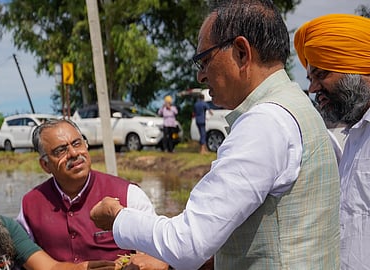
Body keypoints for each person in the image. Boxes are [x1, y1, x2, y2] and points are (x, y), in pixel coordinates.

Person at [89, 0, 341, 269]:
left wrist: (118, 217)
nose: (200, 76)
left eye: (204, 60)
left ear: (242, 53)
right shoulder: (300, 108)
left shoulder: (264, 124)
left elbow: (187, 244)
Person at [17, 118, 169, 270]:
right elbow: (23, 259)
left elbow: (160, 253)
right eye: (61, 150)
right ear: (45, 165)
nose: (74, 153)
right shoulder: (30, 205)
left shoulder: (128, 194)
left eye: (77, 143)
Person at [294, 13, 370, 269]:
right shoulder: (354, 137)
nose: (313, 89)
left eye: (321, 74)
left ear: (358, 67)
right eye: (310, 79)